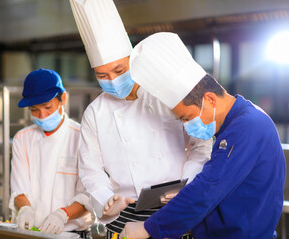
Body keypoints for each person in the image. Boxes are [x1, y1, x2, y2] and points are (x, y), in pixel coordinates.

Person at [119, 32, 286, 239]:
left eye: (187, 117)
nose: (188, 126)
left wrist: (149, 227)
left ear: (210, 99)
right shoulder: (237, 121)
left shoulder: (247, 126)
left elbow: (208, 189)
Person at [69, 0, 212, 238]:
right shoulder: (95, 112)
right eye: (102, 75)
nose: (112, 81)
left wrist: (188, 184)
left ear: (131, 60)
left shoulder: (164, 94)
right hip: (122, 214)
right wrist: (106, 200)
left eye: (118, 71)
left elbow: (201, 146)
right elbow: (90, 169)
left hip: (173, 207)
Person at [9, 68, 93, 238]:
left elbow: (90, 194)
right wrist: (25, 209)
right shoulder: (22, 138)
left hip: (72, 234)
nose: (42, 115)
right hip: (32, 232)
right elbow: (19, 188)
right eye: (34, 110)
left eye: (47, 107)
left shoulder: (82, 137)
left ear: (63, 98)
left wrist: (62, 214)